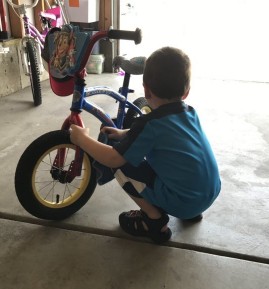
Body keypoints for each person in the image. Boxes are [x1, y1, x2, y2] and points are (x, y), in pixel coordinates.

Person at [70, 46, 221, 244]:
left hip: (182, 201)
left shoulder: (150, 125)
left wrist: (82, 139)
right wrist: (125, 133)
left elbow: (112, 158)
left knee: (120, 166)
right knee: (179, 163)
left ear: (146, 89)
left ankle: (154, 221)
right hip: (207, 194)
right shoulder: (190, 112)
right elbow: (169, 139)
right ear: (186, 92)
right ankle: (190, 211)